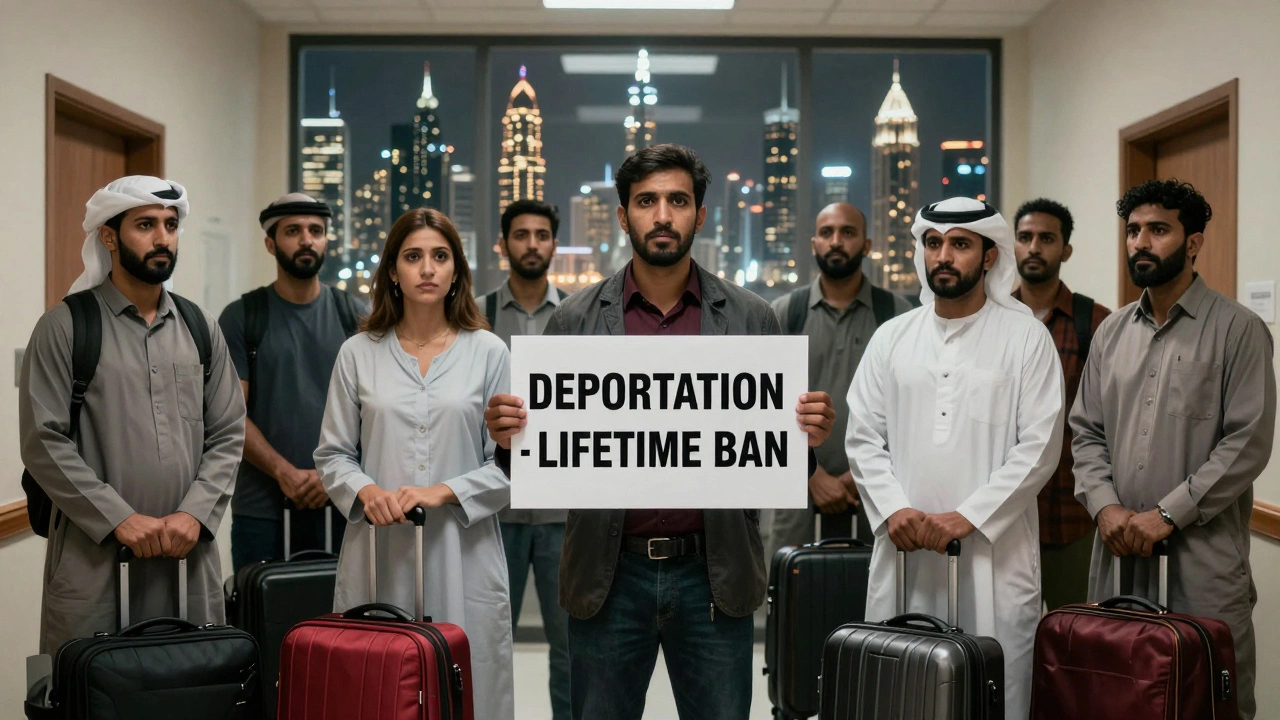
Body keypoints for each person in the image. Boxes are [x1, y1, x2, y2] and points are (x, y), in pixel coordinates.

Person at [484, 144, 836, 720]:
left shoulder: (753, 318)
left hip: (713, 575)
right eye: (647, 201)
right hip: (608, 572)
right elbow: (535, 463)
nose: (663, 215)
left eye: (678, 200)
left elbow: (784, 467)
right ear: (624, 215)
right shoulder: (573, 320)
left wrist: (806, 438)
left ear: (700, 215)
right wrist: (509, 436)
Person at [846, 196, 1064, 720]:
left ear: (990, 257)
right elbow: (862, 435)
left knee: (993, 694)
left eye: (960, 244)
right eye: (934, 243)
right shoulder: (892, 338)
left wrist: (967, 517)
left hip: (994, 559)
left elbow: (1040, 446)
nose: (943, 255)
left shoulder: (1026, 337)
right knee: (901, 691)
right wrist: (895, 509)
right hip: (904, 556)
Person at [1072, 180, 1275, 720]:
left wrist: (1166, 515)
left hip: (1202, 565)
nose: (1141, 242)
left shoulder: (1239, 331)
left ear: (1193, 243)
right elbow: (1085, 431)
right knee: (1114, 698)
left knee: (1207, 700)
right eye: (1133, 230)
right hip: (1116, 556)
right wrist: (1107, 507)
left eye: (1158, 230)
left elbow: (1247, 441)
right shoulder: (1111, 333)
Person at [19, 176, 246, 655]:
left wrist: (195, 512)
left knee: (192, 687)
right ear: (108, 236)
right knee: (95, 691)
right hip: (95, 560)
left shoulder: (199, 327)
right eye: (145, 225)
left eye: (170, 224)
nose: (162, 238)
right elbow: (44, 440)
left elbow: (227, 432)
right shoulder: (64, 327)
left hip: (189, 555)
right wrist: (118, 518)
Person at [314, 208, 514, 720]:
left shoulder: (489, 353)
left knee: (467, 690)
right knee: (377, 690)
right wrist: (366, 492)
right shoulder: (358, 353)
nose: (427, 268)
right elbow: (333, 453)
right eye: (413, 256)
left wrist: (441, 491)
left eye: (440, 257)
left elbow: (511, 466)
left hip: (461, 551)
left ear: (456, 273)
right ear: (393, 272)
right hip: (379, 552)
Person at [219, 193, 364, 571]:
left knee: (342, 627)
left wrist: (331, 477)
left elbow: (375, 411)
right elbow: (231, 414)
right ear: (270, 243)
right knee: (263, 621)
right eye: (293, 231)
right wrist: (284, 472)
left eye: (316, 231)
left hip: (344, 503)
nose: (306, 240)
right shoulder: (242, 317)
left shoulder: (355, 317)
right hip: (262, 511)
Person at [767, 202, 912, 557]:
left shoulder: (896, 316)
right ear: (814, 242)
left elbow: (911, 410)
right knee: (793, 596)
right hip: (796, 485)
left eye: (848, 233)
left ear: (866, 244)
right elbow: (764, 404)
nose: (836, 241)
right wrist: (813, 476)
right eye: (827, 233)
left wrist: (859, 473)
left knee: (873, 600)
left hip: (879, 486)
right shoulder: (785, 313)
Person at [476, 198, 571, 719]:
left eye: (541, 234)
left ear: (553, 244)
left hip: (562, 512)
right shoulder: (475, 315)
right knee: (490, 644)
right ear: (504, 243)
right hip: (497, 508)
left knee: (573, 648)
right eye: (521, 234)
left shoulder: (582, 315)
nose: (532, 244)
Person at [1010, 198, 1112, 610]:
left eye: (1046, 239)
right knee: (1006, 646)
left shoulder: (1097, 323)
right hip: (1004, 521)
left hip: (1073, 519)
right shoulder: (993, 321)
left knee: (1075, 645)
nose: (1034, 247)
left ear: (1065, 250)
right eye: (1025, 237)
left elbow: (1108, 425)